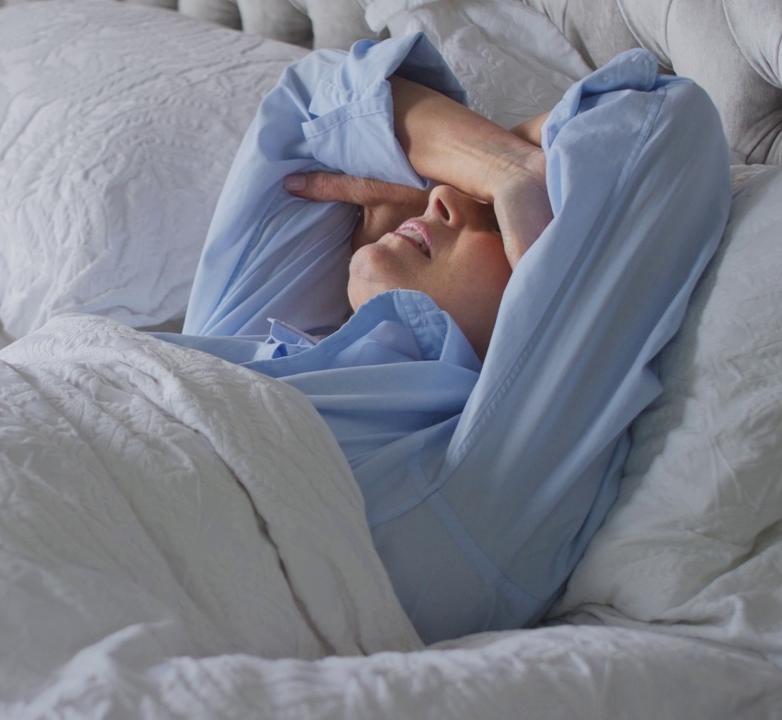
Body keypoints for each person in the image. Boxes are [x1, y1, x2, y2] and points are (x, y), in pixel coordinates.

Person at [156, 34, 732, 644]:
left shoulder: (477, 473)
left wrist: (508, 174)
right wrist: (501, 168)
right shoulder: (260, 349)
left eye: (490, 211)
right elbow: (308, 100)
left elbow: (666, 128)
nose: (446, 194)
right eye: (456, 183)